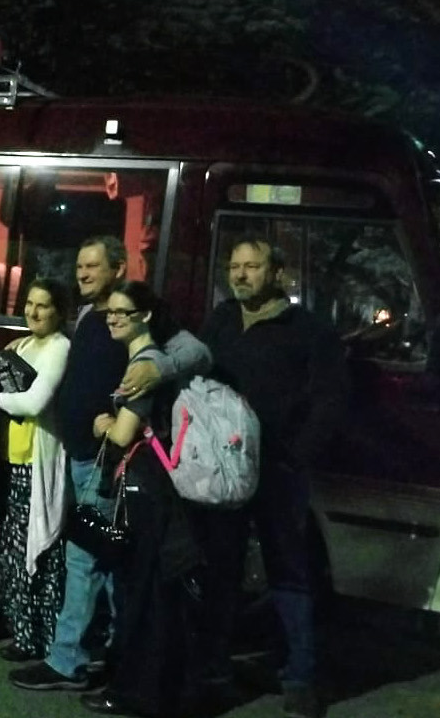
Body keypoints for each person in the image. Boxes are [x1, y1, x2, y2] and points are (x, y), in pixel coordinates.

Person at [12, 235, 210, 691]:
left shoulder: (135, 315)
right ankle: (116, 660)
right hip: (81, 457)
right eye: (79, 266)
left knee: (90, 560)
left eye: (92, 266)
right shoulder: (89, 314)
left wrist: (159, 368)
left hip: (108, 464)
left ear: (118, 268)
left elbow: (197, 351)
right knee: (103, 560)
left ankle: (71, 662)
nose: (82, 273)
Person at [193, 237, 347, 718]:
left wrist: (296, 456)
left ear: (275, 272)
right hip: (224, 470)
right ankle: (214, 668)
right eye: (234, 266)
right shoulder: (220, 322)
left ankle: (300, 676)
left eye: (251, 266)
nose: (240, 275)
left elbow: (329, 402)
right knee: (221, 569)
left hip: (278, 472)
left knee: (289, 571)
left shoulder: (309, 331)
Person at [79, 280, 202, 718]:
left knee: (139, 594)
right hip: (155, 490)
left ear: (145, 316)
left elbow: (123, 433)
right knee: (150, 593)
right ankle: (151, 688)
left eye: (122, 313)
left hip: (144, 491)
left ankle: (134, 691)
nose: (112, 318)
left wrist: (101, 424)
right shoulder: (153, 358)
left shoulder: (144, 363)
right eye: (109, 312)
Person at [0, 279, 71, 664]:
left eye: (44, 305)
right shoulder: (22, 346)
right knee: (16, 551)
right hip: (17, 461)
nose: (34, 312)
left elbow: (35, 401)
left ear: (59, 311)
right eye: (30, 303)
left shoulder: (61, 347)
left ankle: (41, 637)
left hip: (40, 467)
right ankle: (23, 633)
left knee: (40, 553)